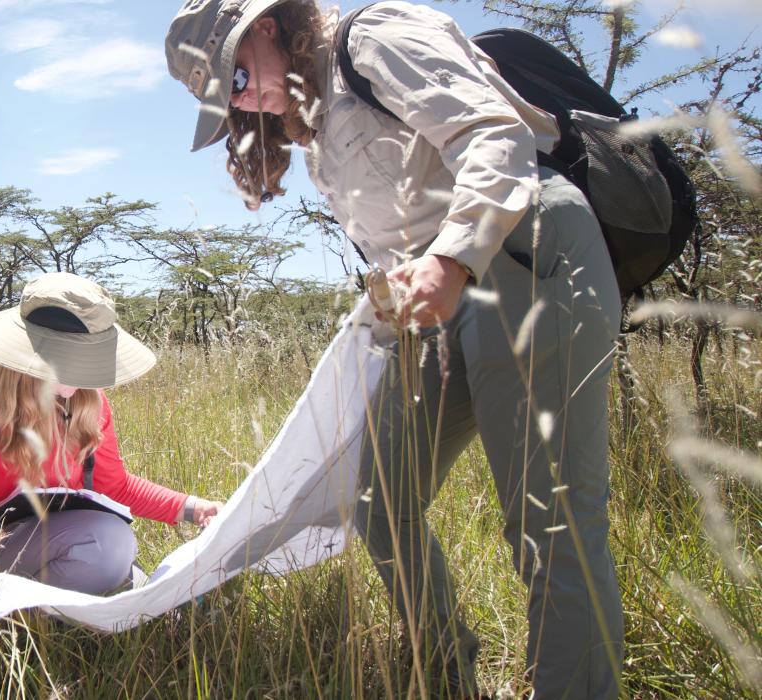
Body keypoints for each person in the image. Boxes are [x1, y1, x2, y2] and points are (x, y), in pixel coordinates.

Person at [166, 1, 623, 698]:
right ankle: (446, 676)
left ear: (265, 27)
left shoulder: (372, 37)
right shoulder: (314, 121)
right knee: (380, 500)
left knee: (550, 523)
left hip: (524, 255)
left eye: (231, 80)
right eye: (220, 100)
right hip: (440, 304)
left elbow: (493, 133)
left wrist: (450, 260)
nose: (240, 101)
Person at [0, 272, 223, 606]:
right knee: (109, 545)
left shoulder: (89, 403)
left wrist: (193, 508)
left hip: (72, 542)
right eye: (68, 359)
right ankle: (8, 617)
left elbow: (116, 487)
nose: (81, 375)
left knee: (152, 588)